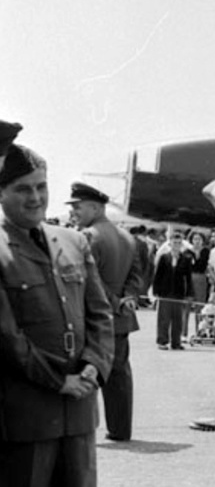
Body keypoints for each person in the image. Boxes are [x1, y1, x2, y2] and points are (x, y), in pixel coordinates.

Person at [0, 136, 137, 487]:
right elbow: (7, 336)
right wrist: (56, 378)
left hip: (79, 404)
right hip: (27, 410)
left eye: (40, 187)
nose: (34, 198)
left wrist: (94, 369)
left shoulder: (73, 242)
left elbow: (102, 315)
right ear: (1, 193)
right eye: (20, 189)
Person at [66, 183, 143, 441]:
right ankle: (121, 430)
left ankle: (81, 432)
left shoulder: (87, 236)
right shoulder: (127, 237)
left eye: (78, 206)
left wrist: (115, 302)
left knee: (88, 372)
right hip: (120, 320)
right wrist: (127, 299)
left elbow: (91, 282)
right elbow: (136, 276)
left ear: (96, 207)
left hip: (93, 319)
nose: (74, 212)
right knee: (120, 375)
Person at [151, 231, 193, 350]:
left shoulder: (186, 259)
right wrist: (156, 291)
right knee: (163, 318)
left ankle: (176, 342)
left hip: (178, 293)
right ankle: (162, 341)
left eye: (179, 243)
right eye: (175, 243)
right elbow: (157, 275)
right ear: (170, 244)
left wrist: (189, 293)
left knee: (177, 319)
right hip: (165, 292)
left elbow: (188, 278)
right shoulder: (164, 258)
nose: (177, 245)